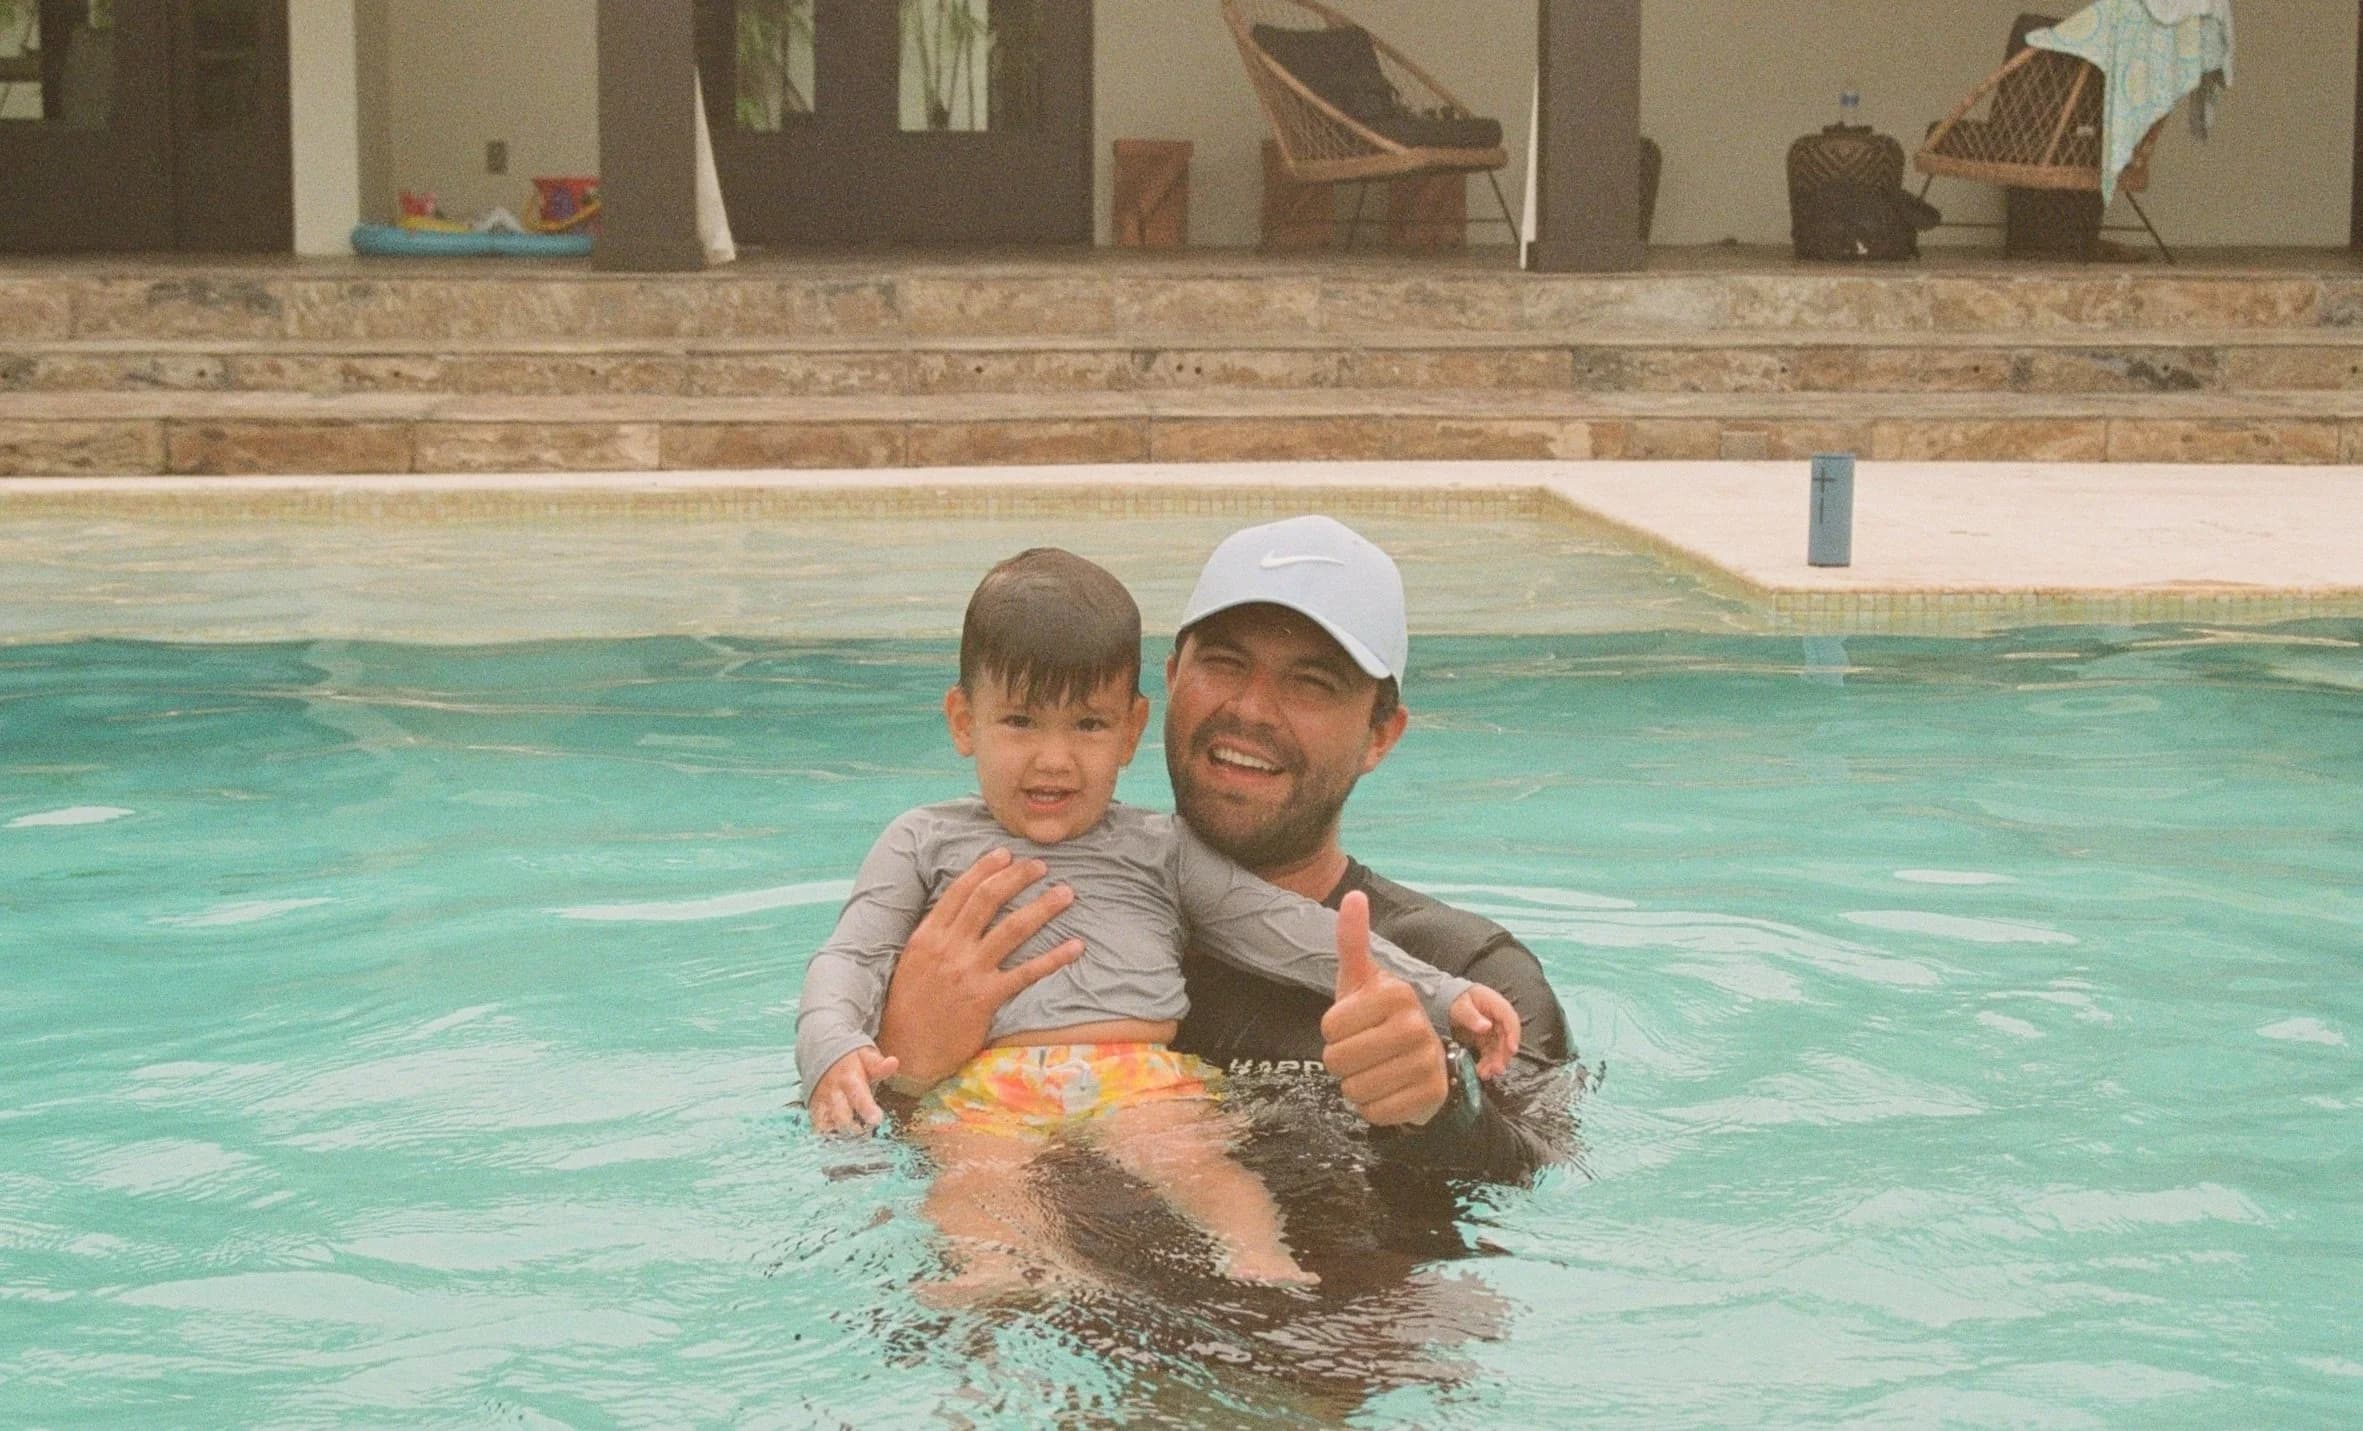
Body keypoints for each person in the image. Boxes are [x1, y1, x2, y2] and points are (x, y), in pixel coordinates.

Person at [797, 547, 1521, 1301]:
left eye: (1088, 724)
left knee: (1203, 1168)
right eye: (1019, 721)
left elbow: (1285, 927)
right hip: (989, 1090)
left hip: (1136, 1079)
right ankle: (993, 1277)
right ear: (963, 720)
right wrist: (848, 1052)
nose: (1054, 759)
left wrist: (1440, 995)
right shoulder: (921, 841)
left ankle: (1259, 1254)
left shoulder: (1161, 851)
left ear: (1129, 727)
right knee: (975, 1185)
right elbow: (849, 960)